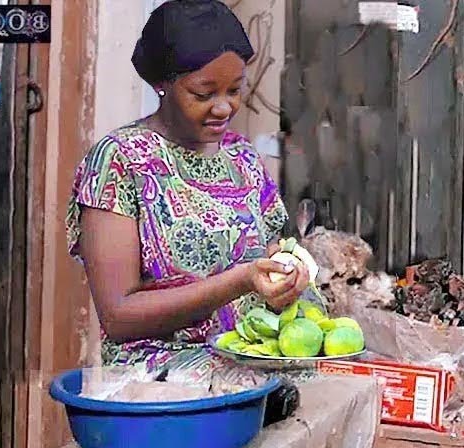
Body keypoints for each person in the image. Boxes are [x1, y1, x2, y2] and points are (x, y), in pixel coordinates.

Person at [66, 0, 308, 368]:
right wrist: (238, 281)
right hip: (160, 392)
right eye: (203, 93)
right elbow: (118, 316)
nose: (224, 108)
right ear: (161, 83)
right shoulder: (120, 161)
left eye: (234, 90)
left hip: (253, 372)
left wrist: (288, 277)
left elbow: (273, 253)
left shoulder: (242, 160)